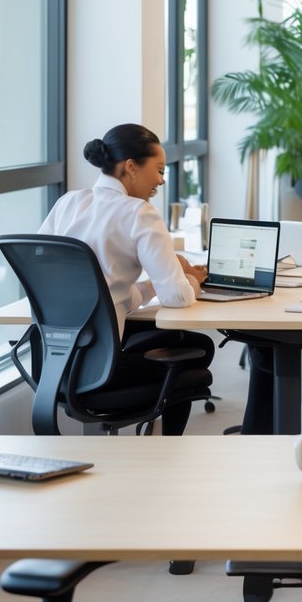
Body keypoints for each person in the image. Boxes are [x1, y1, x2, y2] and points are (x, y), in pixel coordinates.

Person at [37, 123, 214, 437]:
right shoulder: (139, 213)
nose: (161, 179)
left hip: (51, 363)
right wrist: (189, 279)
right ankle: (170, 454)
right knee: (198, 348)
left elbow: (96, 291)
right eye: (158, 169)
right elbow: (178, 298)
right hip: (103, 368)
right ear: (131, 167)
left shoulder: (68, 203)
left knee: (176, 341)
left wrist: (147, 288)